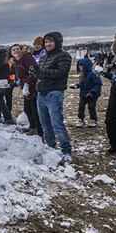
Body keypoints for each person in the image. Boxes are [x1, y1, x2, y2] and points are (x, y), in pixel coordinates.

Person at [34, 32, 73, 164]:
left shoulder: (64, 56)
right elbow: (41, 74)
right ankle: (50, 148)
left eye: (51, 41)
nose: (48, 44)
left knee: (57, 125)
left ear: (57, 42)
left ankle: (66, 151)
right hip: (42, 93)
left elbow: (60, 73)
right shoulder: (44, 57)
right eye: (46, 42)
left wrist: (39, 71)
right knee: (45, 125)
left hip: (54, 93)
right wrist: (35, 75)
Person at [15, 45, 43, 136]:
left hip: (32, 86)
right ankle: (33, 127)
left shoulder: (27, 57)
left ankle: (39, 131)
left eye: (18, 49)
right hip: (26, 86)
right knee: (27, 109)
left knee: (34, 109)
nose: (16, 51)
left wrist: (27, 83)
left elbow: (34, 70)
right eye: (13, 50)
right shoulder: (19, 60)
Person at [72, 58, 103, 128]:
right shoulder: (82, 74)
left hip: (92, 94)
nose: (80, 67)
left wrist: (92, 92)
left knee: (91, 106)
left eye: (81, 66)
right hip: (83, 94)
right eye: (79, 66)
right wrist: (77, 85)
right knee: (81, 106)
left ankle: (93, 120)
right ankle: (81, 119)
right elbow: (83, 83)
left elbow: (98, 84)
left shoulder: (93, 74)